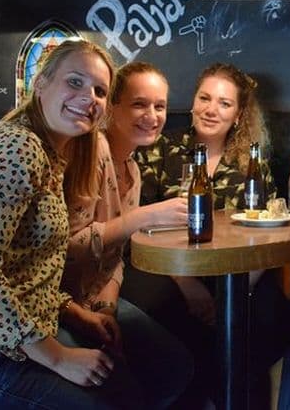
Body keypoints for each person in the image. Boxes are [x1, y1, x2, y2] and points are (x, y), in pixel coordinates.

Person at [0, 40, 146, 408]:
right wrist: (58, 357)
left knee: (127, 385)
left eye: (99, 91)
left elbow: (24, 272)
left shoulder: (49, 154)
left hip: (11, 344)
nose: (89, 97)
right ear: (41, 84)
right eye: (75, 82)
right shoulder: (16, 148)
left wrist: (76, 313)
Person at [122, 62, 290, 409]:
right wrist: (188, 284)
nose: (211, 109)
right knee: (168, 314)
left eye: (224, 103)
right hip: (169, 269)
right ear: (192, 102)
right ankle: (193, 395)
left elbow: (267, 226)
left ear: (238, 115)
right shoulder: (161, 148)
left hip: (235, 272)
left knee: (271, 317)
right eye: (204, 98)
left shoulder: (252, 162)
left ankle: (229, 395)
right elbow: (140, 225)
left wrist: (239, 289)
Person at [61, 61, 193, 408]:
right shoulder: (91, 153)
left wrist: (106, 307)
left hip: (94, 300)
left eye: (159, 106)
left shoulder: (132, 169)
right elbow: (65, 250)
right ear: (112, 107)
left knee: (174, 367)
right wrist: (143, 217)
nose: (152, 115)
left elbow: (113, 259)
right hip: (54, 306)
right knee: (119, 387)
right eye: (139, 104)